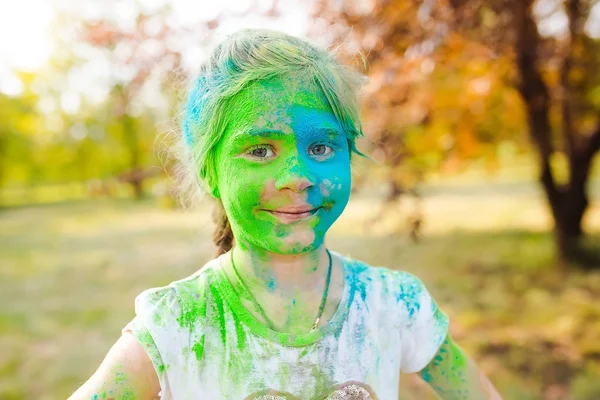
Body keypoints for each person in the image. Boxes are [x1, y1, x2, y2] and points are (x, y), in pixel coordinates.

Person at [69, 29, 502, 400]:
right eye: (260, 150)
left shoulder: (393, 304)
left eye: (321, 147)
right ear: (210, 172)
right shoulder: (177, 323)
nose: (297, 176)